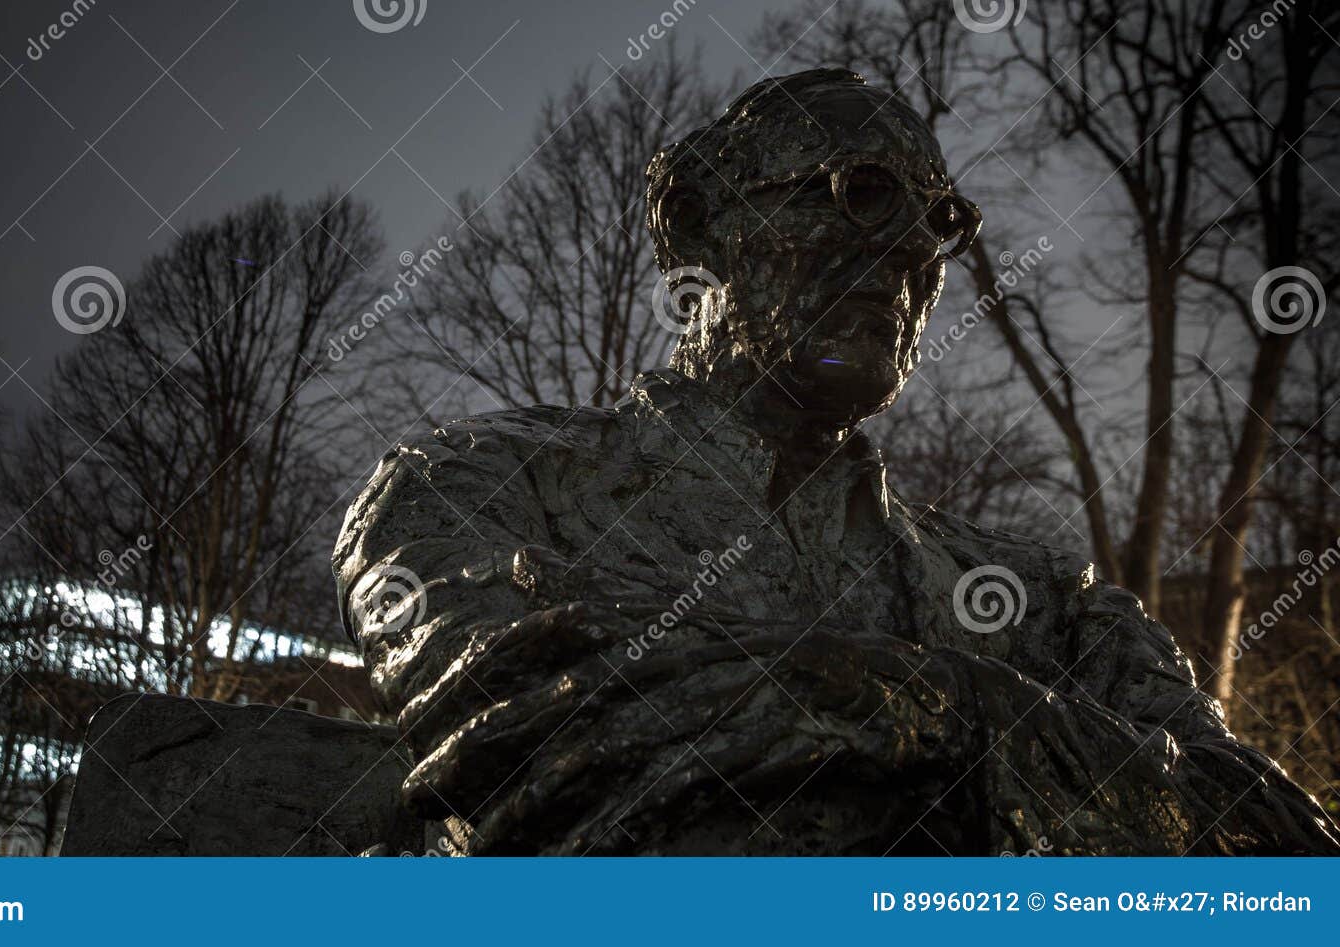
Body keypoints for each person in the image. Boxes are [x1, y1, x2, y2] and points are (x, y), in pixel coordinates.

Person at [332, 69, 1339, 855]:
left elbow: (1264, 854)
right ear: (696, 219)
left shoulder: (1039, 603)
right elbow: (534, 747)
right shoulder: (468, 490)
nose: (907, 245)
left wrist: (949, 715)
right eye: (859, 192)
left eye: (939, 220)